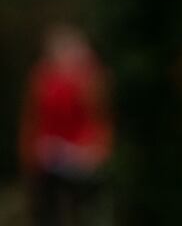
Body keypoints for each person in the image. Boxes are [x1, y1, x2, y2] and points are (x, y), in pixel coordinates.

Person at [19, 23, 113, 226]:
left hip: (82, 157)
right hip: (50, 158)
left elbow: (97, 123)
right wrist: (35, 152)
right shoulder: (44, 79)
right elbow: (36, 122)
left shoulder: (89, 79)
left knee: (81, 204)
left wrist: (93, 151)